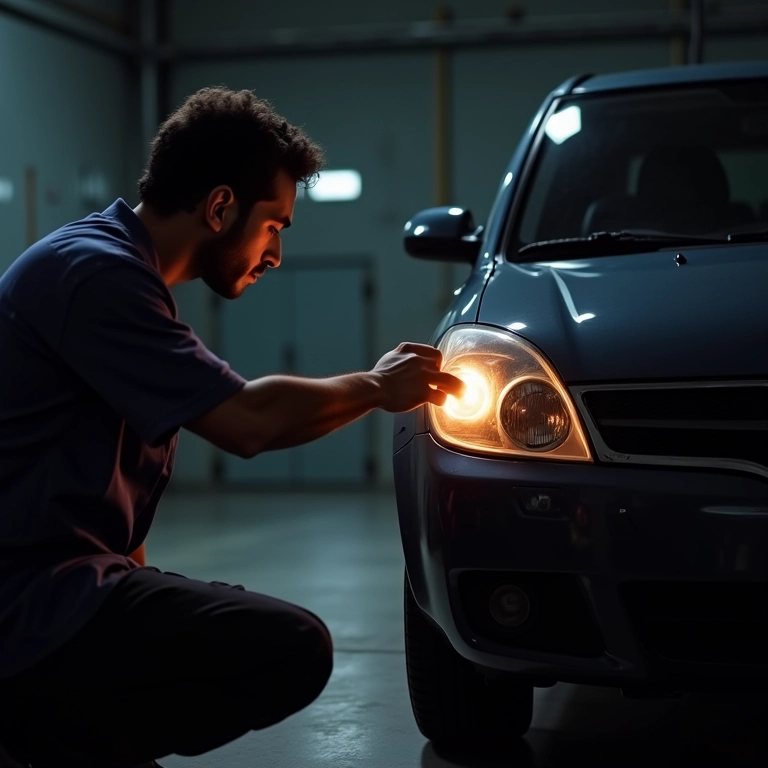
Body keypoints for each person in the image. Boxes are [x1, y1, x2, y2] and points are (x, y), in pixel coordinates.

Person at [0, 87, 463, 768]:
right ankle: (35, 741)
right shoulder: (94, 274)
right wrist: (377, 387)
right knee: (289, 648)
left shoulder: (119, 275)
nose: (274, 253)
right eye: (274, 225)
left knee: (215, 635)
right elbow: (247, 422)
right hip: (26, 603)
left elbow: (117, 509)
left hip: (62, 589)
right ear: (220, 208)